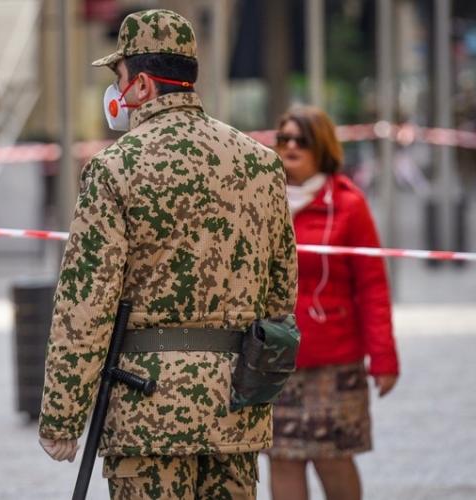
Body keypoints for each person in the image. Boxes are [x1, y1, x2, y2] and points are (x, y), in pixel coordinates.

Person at [37, 9, 298, 500]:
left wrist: (62, 414)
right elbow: (281, 293)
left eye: (118, 77)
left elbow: (84, 305)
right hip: (236, 405)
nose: (114, 91)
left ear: (141, 86)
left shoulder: (114, 169)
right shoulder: (262, 164)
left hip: (146, 408)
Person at [266, 107, 400, 500]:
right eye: (283, 138)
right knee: (282, 456)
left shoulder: (349, 204)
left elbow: (372, 286)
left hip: (333, 360)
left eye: (301, 140)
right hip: (274, 357)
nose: (290, 146)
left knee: (333, 456)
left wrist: (384, 358)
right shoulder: (259, 199)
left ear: (321, 148)